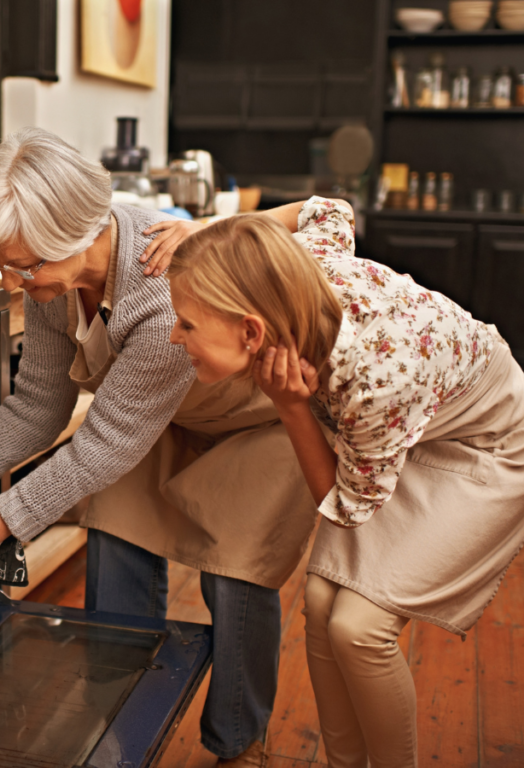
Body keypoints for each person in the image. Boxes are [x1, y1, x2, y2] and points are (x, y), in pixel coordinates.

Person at [0, 128, 320, 766]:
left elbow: (104, 444)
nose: (12, 281)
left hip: (252, 420)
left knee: (236, 570)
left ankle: (236, 743)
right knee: (115, 538)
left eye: (23, 265)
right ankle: (119, 728)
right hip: (151, 417)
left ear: (79, 234)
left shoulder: (160, 289)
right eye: (2, 264)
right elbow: (38, 406)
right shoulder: (57, 282)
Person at [158, 196, 524, 767]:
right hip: (406, 432)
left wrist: (292, 408)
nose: (176, 338)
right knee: (323, 601)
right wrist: (210, 235)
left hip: (487, 445)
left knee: (359, 629)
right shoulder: (296, 270)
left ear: (252, 333)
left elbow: (345, 504)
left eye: (187, 325)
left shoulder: (378, 377)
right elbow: (330, 208)